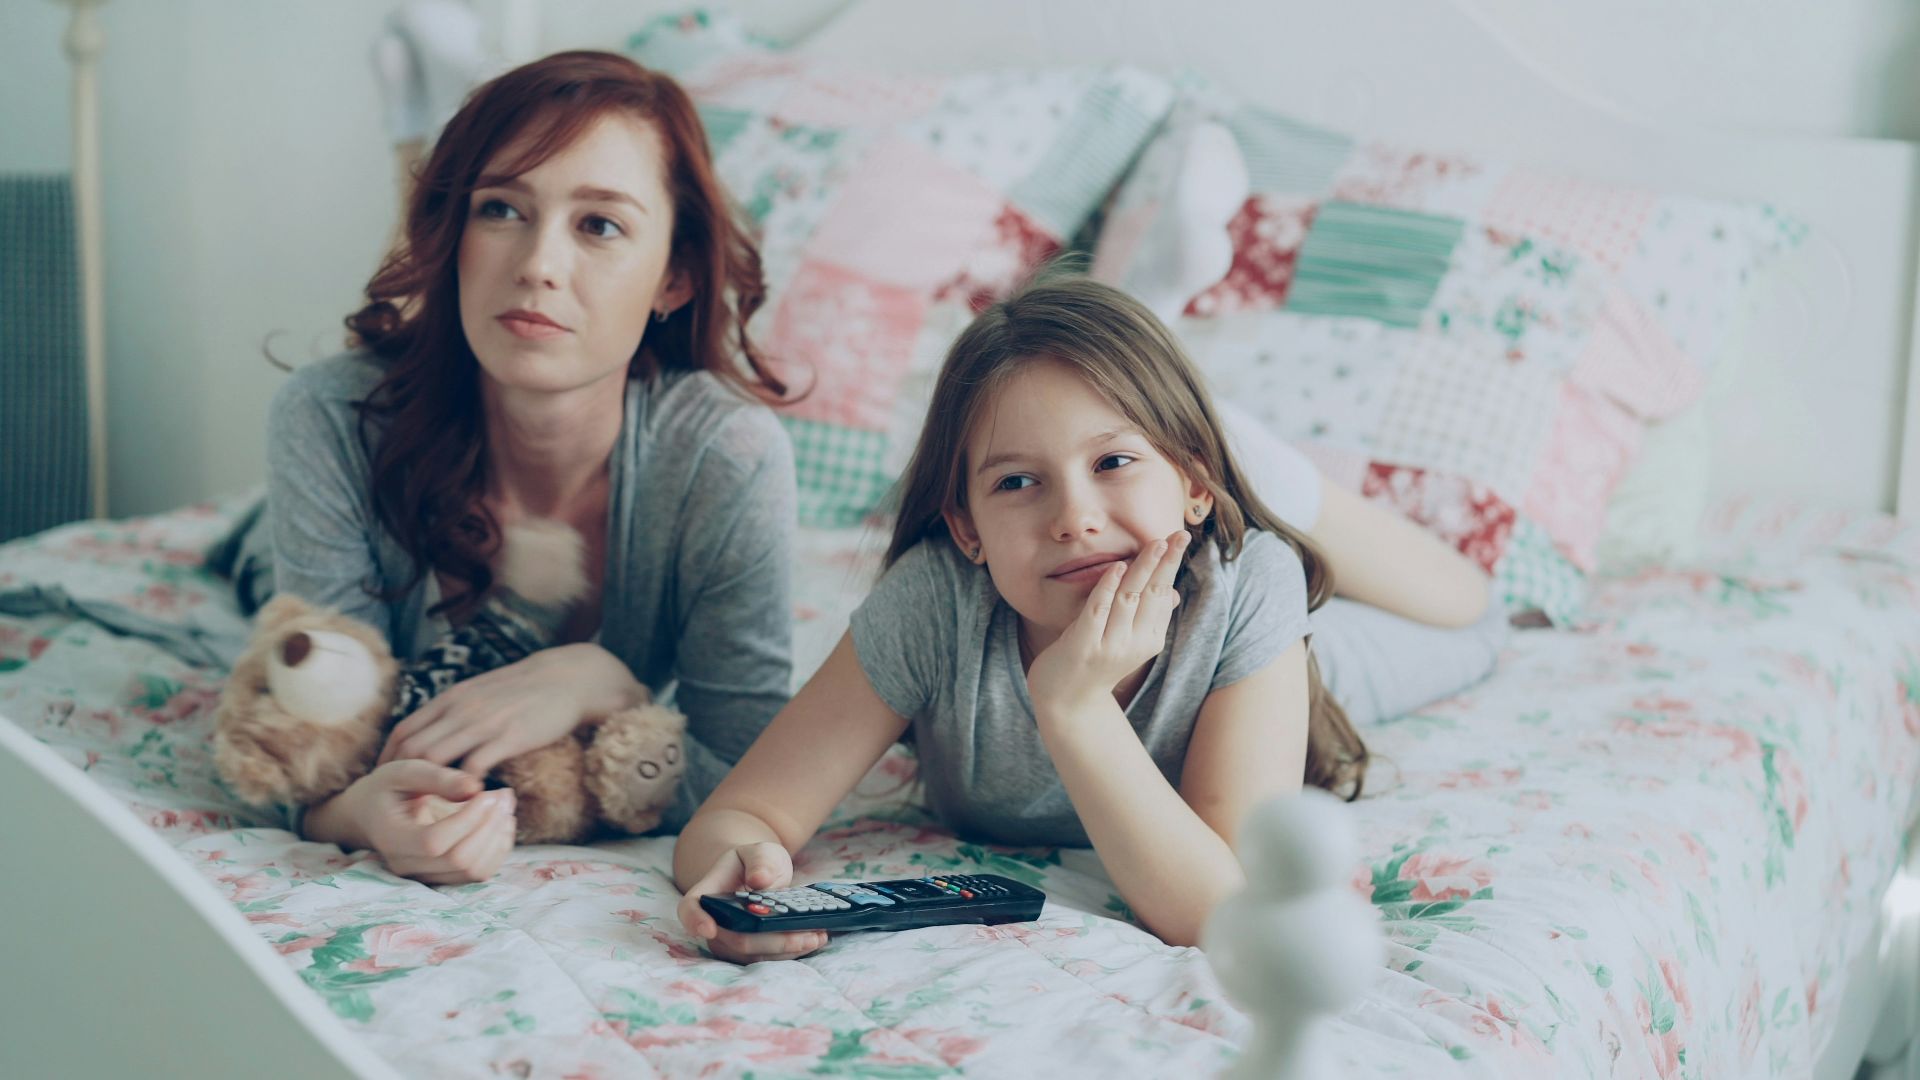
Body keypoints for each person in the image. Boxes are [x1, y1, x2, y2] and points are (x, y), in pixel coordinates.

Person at [672, 275, 1507, 956]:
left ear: (1190, 484)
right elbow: (737, 820)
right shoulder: (933, 601)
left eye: (1111, 461)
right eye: (1015, 482)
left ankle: (1265, 475)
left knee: (1476, 621)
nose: (1073, 518)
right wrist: (745, 874)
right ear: (965, 529)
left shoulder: (1251, 584)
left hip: (1287, 655)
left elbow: (1219, 913)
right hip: (1174, 527)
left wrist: (1073, 708)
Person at [233, 51, 797, 884]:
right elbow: (307, 743)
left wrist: (601, 683)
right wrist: (355, 815)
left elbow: (756, 774)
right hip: (279, 542)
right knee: (259, 586)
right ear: (453, 234)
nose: (538, 264)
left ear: (673, 277)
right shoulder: (331, 420)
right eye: (501, 209)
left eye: (599, 225)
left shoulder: (727, 458)